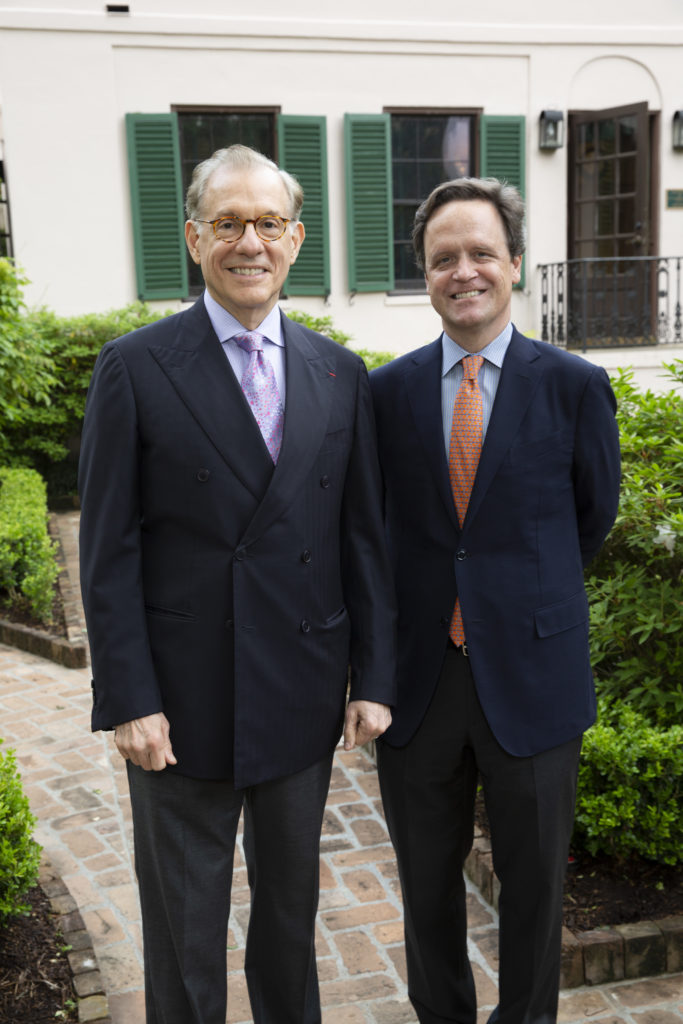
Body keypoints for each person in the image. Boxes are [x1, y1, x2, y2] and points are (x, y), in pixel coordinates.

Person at [78, 144, 396, 1024]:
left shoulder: (340, 373)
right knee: (184, 927)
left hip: (299, 691)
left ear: (295, 241)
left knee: (290, 919)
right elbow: (107, 552)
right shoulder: (136, 367)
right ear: (193, 238)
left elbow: (360, 540)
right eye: (227, 223)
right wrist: (129, 698)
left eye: (265, 224)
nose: (246, 242)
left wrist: (372, 679)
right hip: (179, 705)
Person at [370, 177, 620, 1024]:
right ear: (426, 277)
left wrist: (515, 601)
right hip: (420, 682)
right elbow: (380, 531)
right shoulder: (387, 393)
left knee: (534, 891)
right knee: (426, 889)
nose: (463, 270)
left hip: (535, 677)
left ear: (513, 263)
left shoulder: (575, 387)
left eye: (481, 252)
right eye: (444, 258)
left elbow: (590, 520)